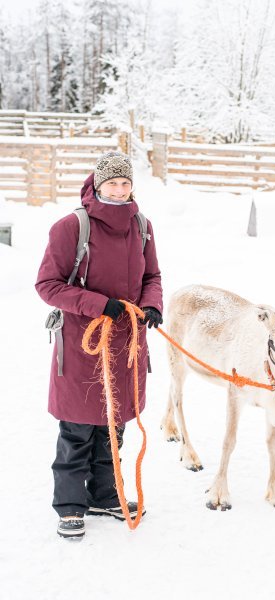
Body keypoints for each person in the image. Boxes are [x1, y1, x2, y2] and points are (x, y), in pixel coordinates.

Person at [35, 151, 163, 539]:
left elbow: (153, 275)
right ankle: (71, 505)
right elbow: (48, 286)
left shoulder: (142, 225)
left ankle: (105, 494)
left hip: (127, 345)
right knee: (77, 428)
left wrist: (152, 306)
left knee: (113, 428)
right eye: (112, 183)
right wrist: (97, 305)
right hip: (82, 344)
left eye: (126, 183)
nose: (120, 189)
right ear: (98, 183)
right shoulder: (71, 227)